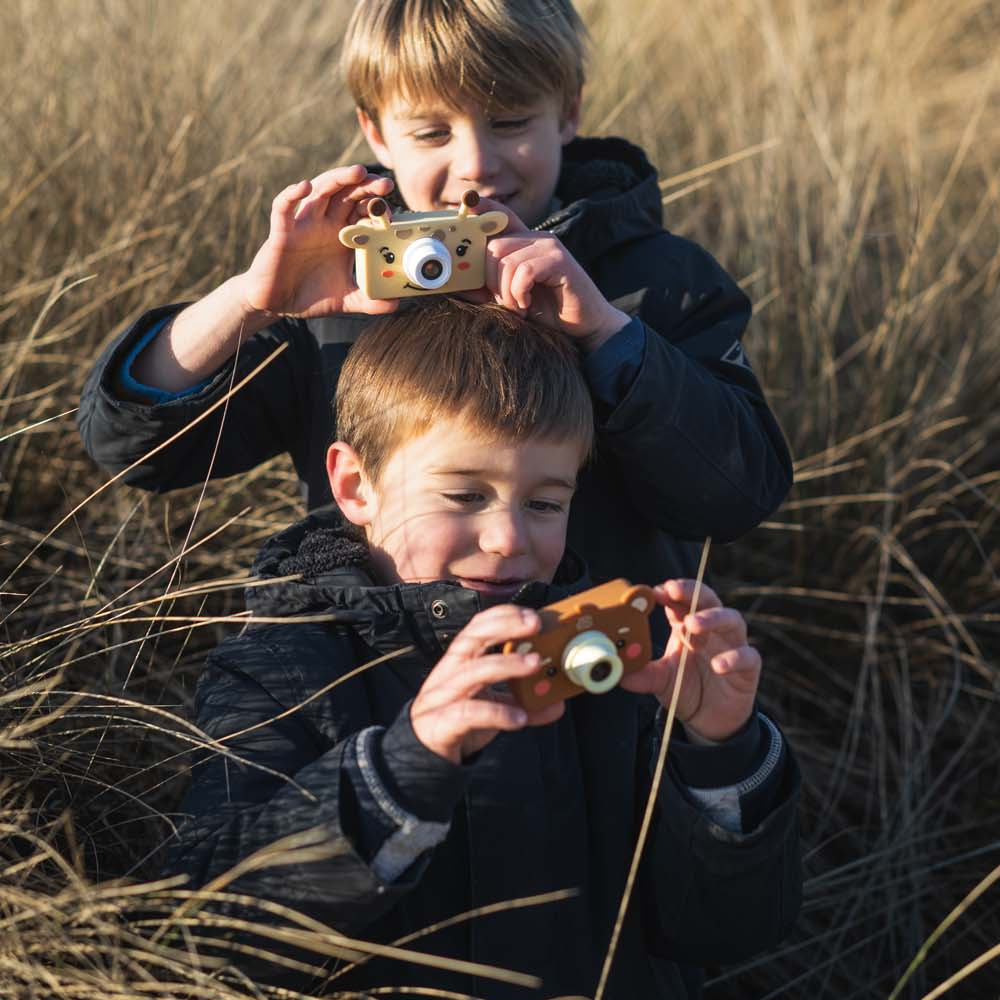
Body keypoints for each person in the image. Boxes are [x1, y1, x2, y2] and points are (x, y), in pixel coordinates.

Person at [166, 299, 800, 1000]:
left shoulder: (628, 667)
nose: (507, 538)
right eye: (465, 495)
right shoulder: (280, 664)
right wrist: (403, 767)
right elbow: (207, 931)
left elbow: (728, 932)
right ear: (354, 485)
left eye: (543, 503)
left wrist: (719, 752)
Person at [76, 0, 793, 590]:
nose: (476, 164)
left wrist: (606, 332)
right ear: (375, 131)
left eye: (511, 121)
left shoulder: (658, 279)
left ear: (568, 112)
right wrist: (251, 301)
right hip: (372, 678)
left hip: (595, 682)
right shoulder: (333, 289)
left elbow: (737, 496)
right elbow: (133, 452)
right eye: (431, 131)